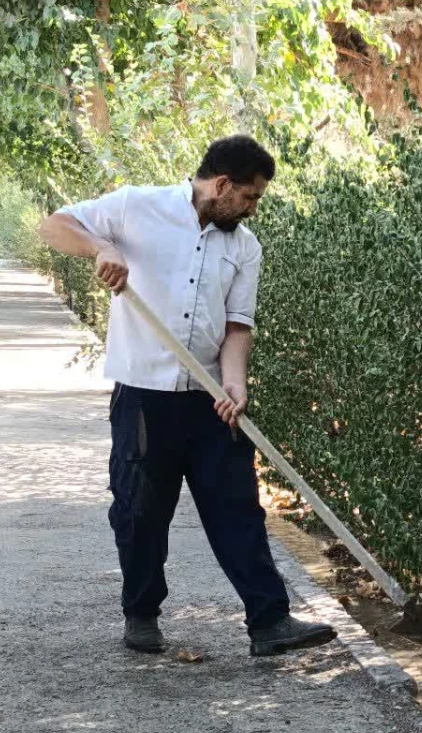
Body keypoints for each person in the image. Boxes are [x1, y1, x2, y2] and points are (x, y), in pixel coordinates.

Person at [40, 135, 337, 658]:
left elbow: (237, 326)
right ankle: (142, 615)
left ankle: (270, 622)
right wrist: (102, 247)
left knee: (238, 509)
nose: (252, 209)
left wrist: (235, 384)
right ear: (221, 185)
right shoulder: (137, 206)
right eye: (249, 197)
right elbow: (55, 225)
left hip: (208, 400)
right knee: (140, 511)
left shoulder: (244, 248)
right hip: (144, 398)